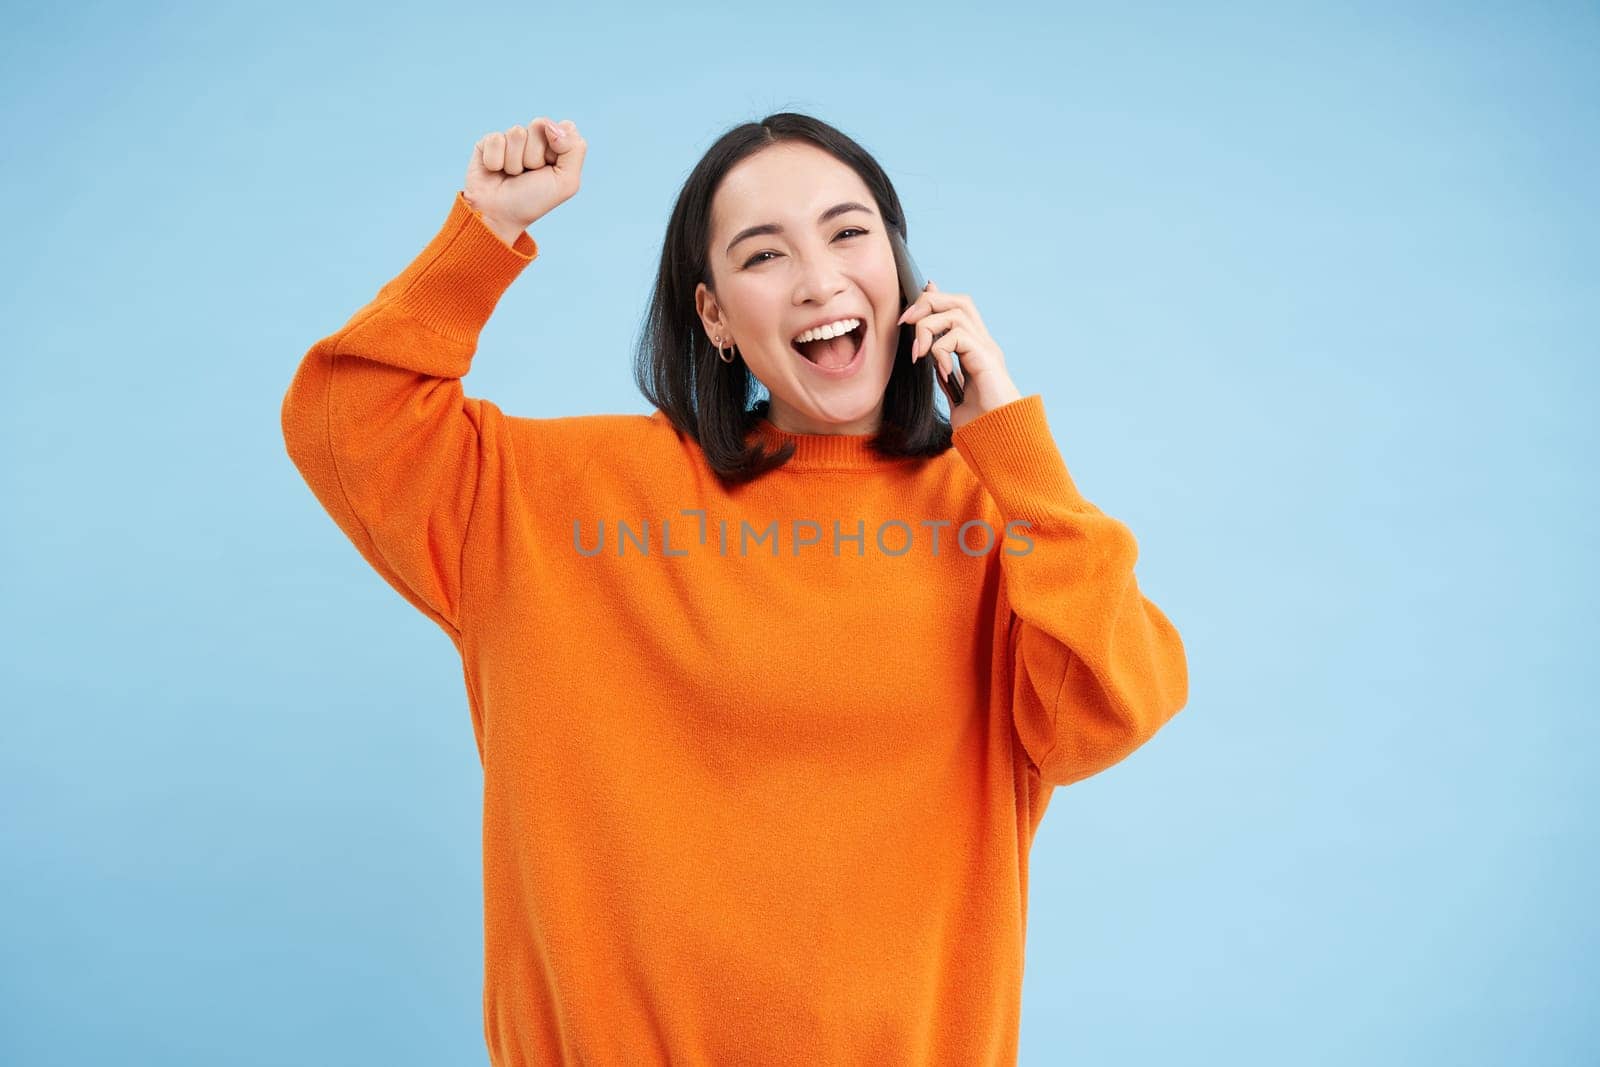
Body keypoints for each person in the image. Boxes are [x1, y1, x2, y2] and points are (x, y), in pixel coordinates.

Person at [281, 110, 1189, 1066]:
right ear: (712, 315)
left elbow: (1113, 701)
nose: (820, 280)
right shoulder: (557, 501)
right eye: (764, 255)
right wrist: (484, 231)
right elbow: (346, 421)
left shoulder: (993, 519)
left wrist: (1015, 447)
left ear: (904, 268)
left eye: (849, 232)